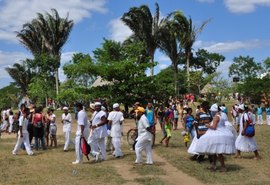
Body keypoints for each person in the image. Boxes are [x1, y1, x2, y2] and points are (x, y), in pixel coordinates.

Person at [194, 104, 236, 172]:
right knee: (214, 152)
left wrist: (207, 125)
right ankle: (213, 165)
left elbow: (214, 127)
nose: (211, 112)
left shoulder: (216, 117)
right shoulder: (221, 116)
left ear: (214, 111)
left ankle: (223, 166)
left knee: (219, 153)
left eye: (212, 111)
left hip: (217, 134)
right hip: (221, 133)